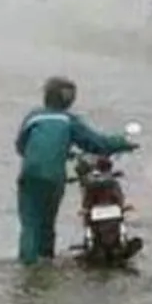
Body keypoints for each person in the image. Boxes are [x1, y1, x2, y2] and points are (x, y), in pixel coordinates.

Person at [14, 75, 139, 265]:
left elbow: (21, 146)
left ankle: (27, 265)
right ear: (70, 100)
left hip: (30, 175)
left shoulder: (33, 117)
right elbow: (97, 143)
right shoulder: (68, 120)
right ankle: (46, 261)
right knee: (47, 224)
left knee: (30, 224)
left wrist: (56, 153)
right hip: (54, 178)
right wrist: (123, 143)